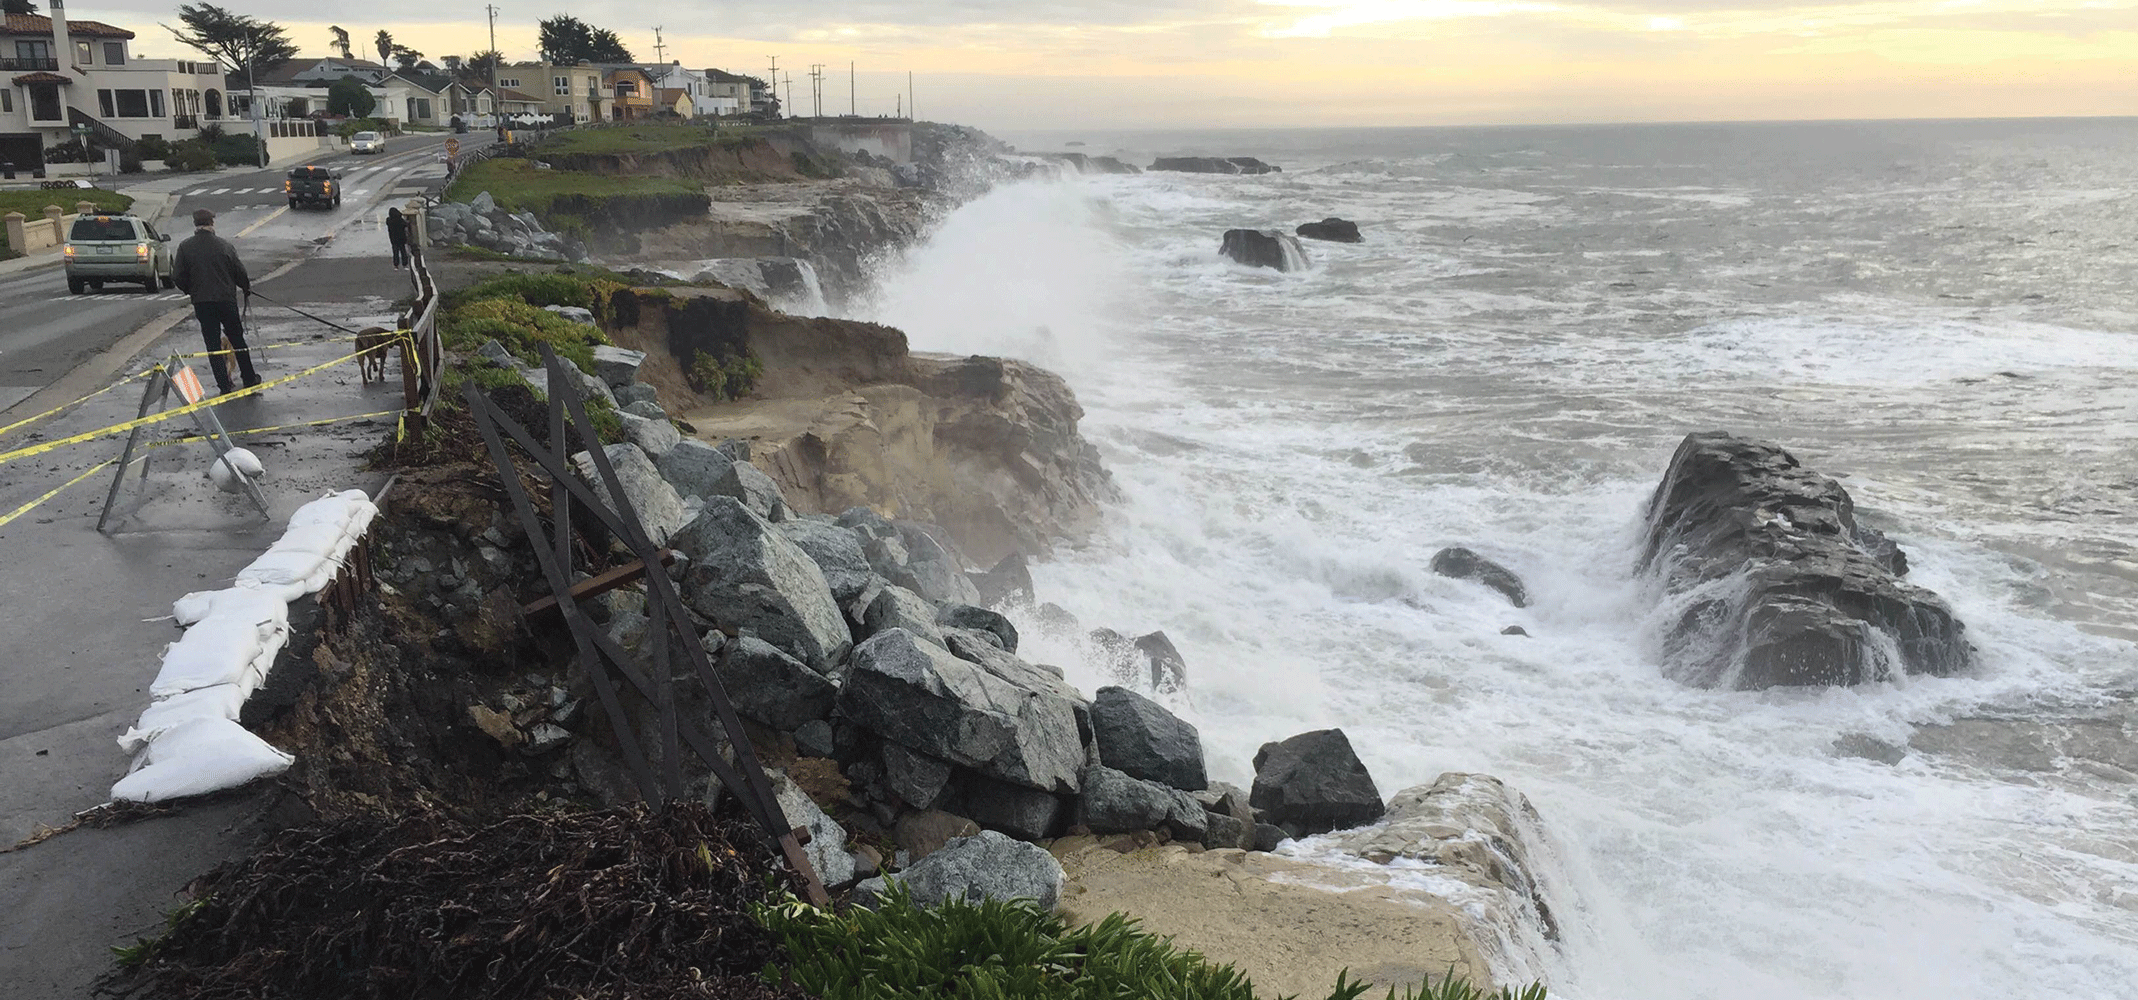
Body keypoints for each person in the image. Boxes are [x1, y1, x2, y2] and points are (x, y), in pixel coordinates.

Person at [171, 208, 258, 394]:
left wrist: (191, 289)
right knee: (237, 339)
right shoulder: (224, 246)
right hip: (226, 299)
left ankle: (224, 385)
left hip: (202, 302)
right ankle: (249, 378)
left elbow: (177, 276)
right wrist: (245, 287)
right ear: (212, 223)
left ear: (195, 224)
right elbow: (239, 271)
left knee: (212, 344)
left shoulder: (185, 247)